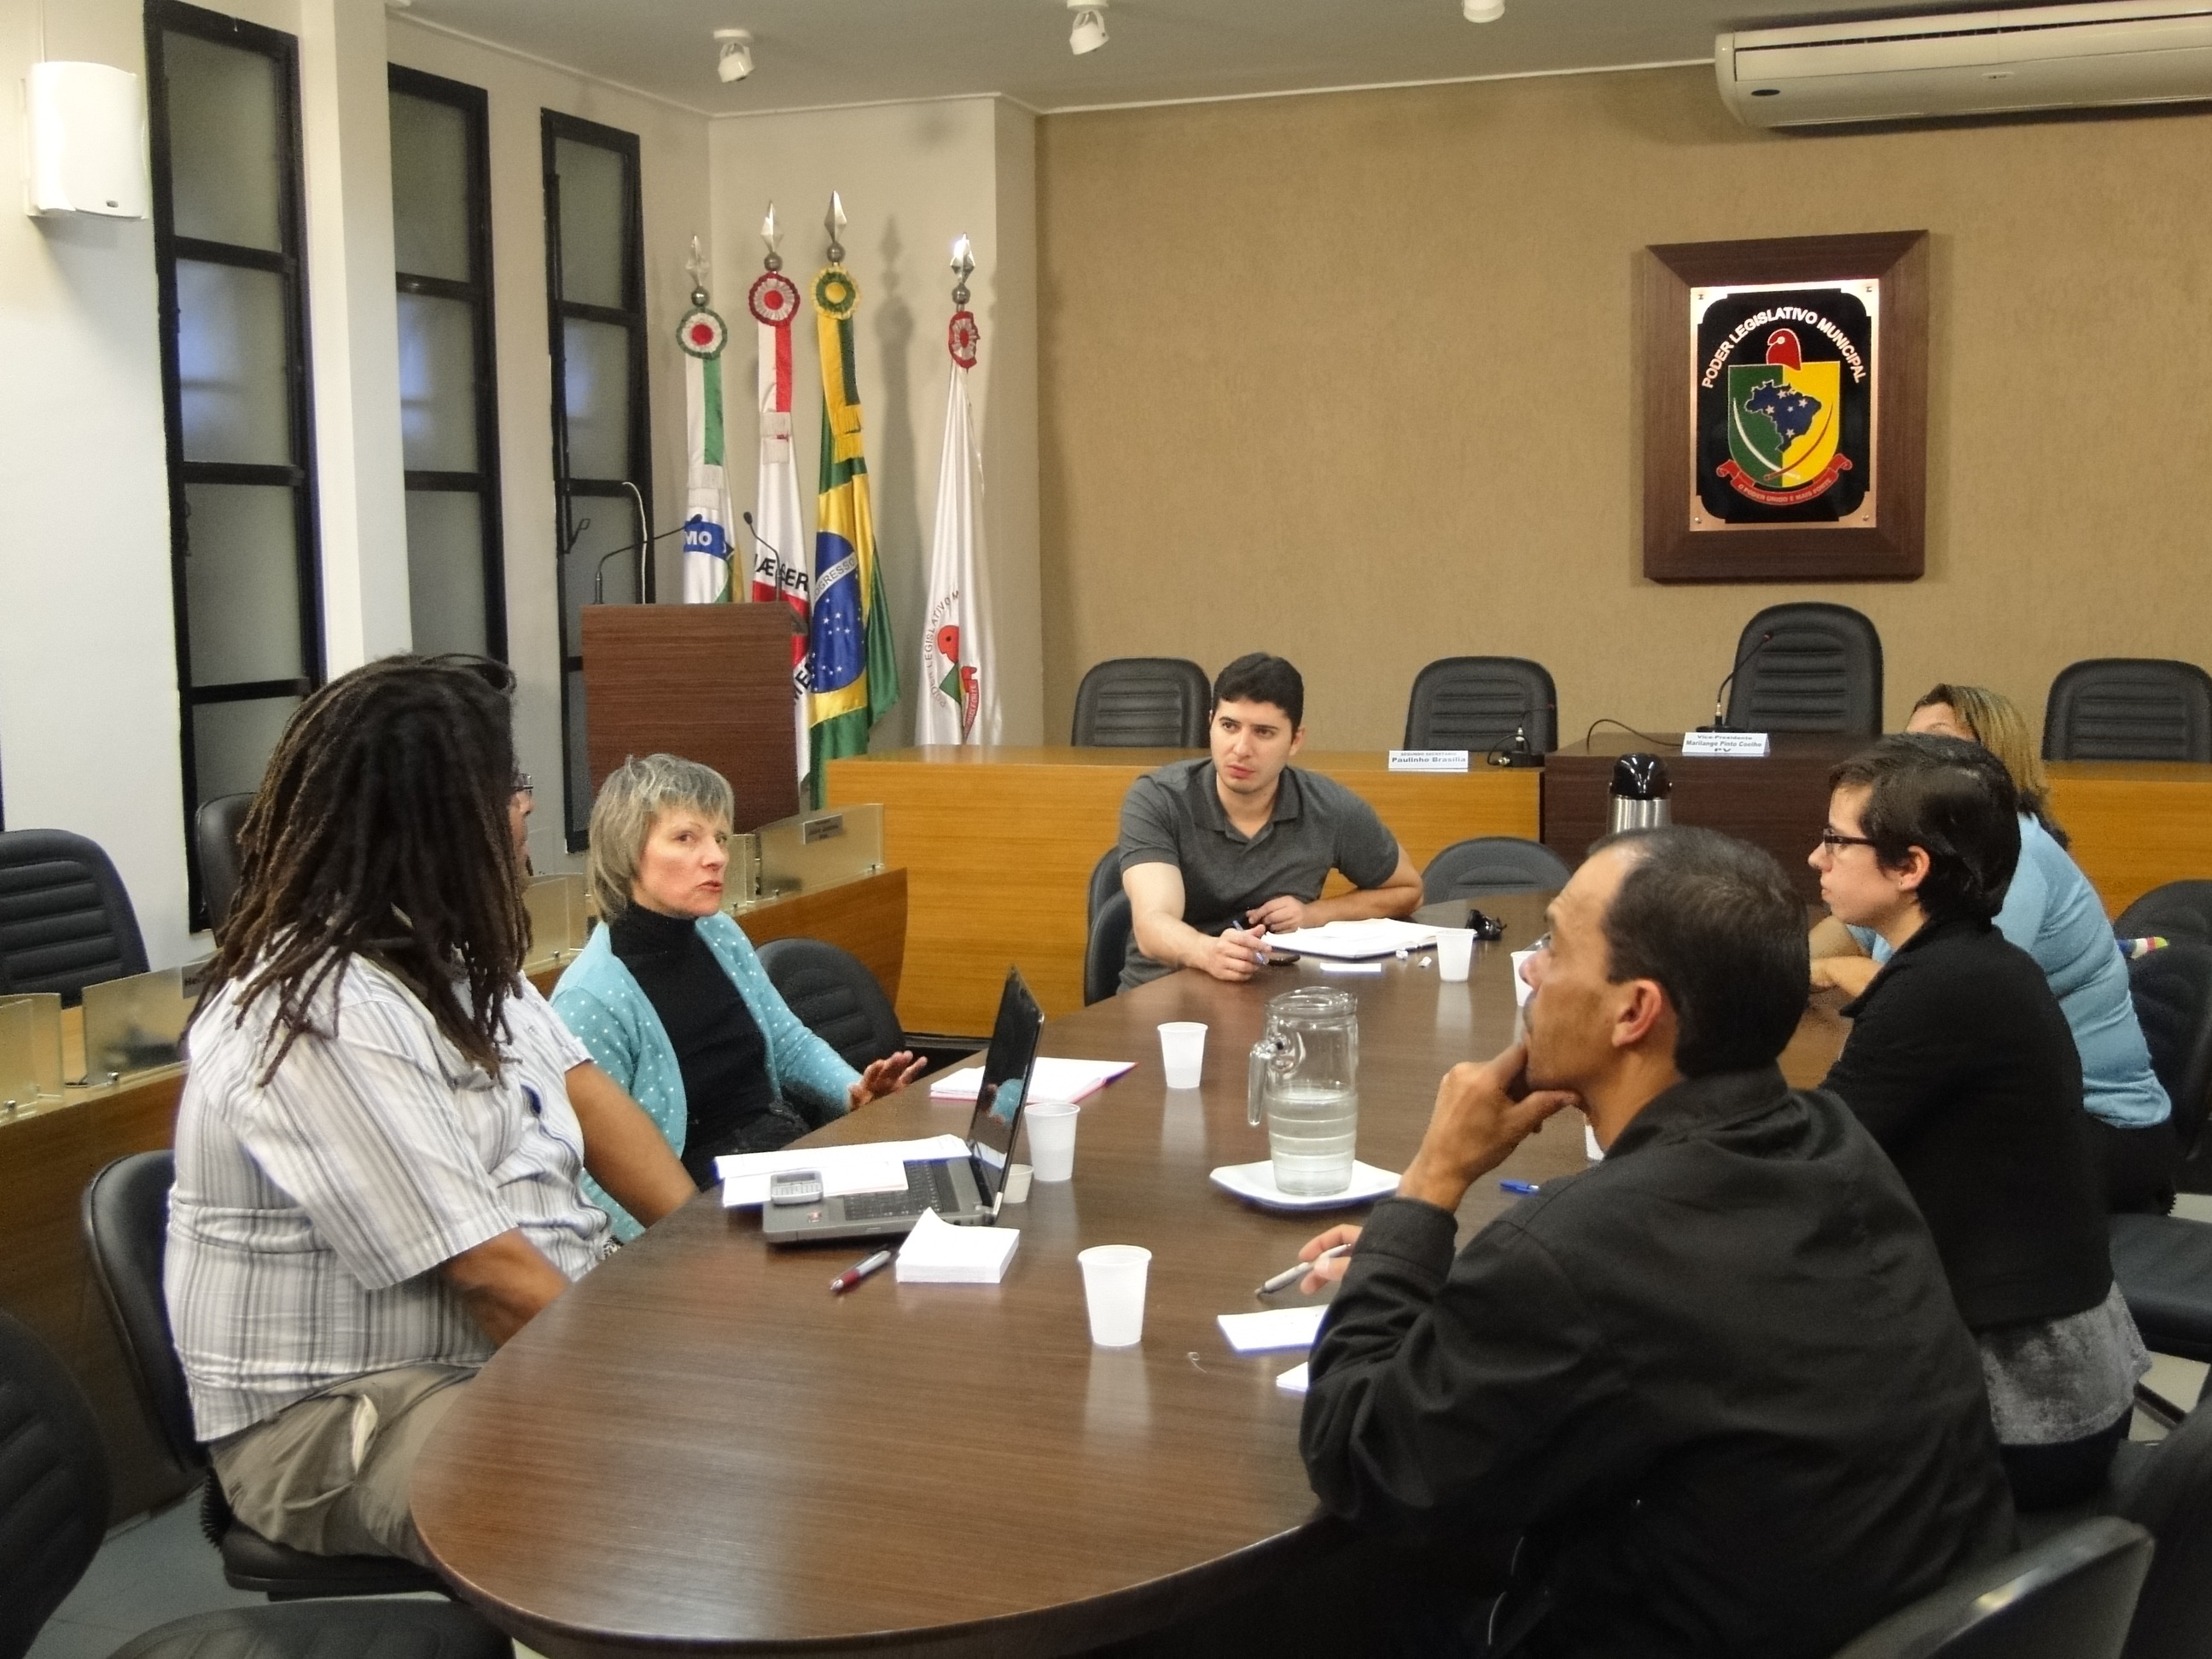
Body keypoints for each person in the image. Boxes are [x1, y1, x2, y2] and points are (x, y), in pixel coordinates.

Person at [1295, 827, 2012, 1658]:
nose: (1530, 968)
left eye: (1554, 947)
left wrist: (1430, 1183)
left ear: (1634, 1011)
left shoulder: (1582, 1252)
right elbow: (1663, 1318)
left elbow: (1366, 1462)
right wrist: (1460, 1284)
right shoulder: (1832, 1141)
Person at [167, 656, 696, 1567]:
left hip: (494, 1356)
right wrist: (654, 1386)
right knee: (656, 1481)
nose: (527, 806)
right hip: (341, 1417)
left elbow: (591, 1100)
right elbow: (488, 1275)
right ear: (440, 819)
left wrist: (712, 1257)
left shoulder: (455, 959)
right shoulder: (318, 1012)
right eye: (510, 786)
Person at [1813, 734, 2149, 1510]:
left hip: (2031, 1411)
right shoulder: (1974, 962)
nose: (1816, 859)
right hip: (2054, 1368)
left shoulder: (1943, 988)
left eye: (1836, 840)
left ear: (1910, 868)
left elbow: (1813, 1152)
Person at [1810, 684, 2174, 1210]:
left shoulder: (2014, 858)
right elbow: (1845, 937)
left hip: (2100, 1130)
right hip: (2009, 1112)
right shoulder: (1930, 866)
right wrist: (1804, 965)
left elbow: (1928, 992)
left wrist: (1837, 970)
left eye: (1935, 744)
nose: (1911, 761)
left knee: (1861, 1189)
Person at [551, 754, 923, 1234]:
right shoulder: (590, 998)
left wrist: (855, 1093)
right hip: (697, 1210)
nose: (717, 856)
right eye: (686, 837)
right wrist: (680, 1249)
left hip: (777, 1165)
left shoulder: (719, 934)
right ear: (627, 850)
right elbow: (593, 1174)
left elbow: (788, 1043)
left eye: (720, 838)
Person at [1115, 653, 1423, 989]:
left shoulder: (1329, 807)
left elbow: (1408, 890)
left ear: (1295, 741)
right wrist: (1209, 952)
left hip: (1276, 999)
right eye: (1229, 726)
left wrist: (1314, 915)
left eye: (1263, 732)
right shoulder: (1159, 798)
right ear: (1210, 722)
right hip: (1163, 997)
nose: (1241, 748)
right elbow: (1152, 924)